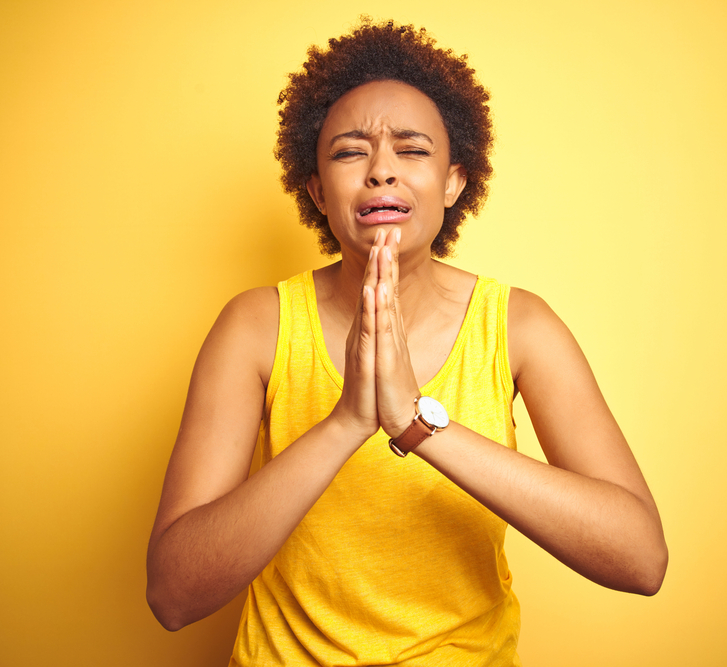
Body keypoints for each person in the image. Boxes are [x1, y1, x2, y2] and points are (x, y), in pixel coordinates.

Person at [146, 18, 667, 666]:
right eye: (349, 152)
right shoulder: (257, 327)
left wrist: (418, 424)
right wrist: (346, 423)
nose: (382, 172)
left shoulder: (519, 326)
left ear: (453, 181)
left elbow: (641, 558)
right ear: (316, 190)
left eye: (413, 150)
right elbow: (172, 594)